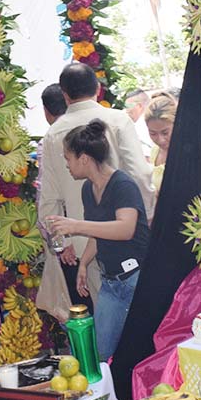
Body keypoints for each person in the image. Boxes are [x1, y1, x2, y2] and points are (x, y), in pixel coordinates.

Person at [35, 63, 153, 323]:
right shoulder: (119, 119)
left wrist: (61, 241)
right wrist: (147, 217)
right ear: (98, 89)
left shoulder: (53, 134)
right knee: (141, 317)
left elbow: (49, 198)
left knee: (107, 317)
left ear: (65, 95)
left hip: (82, 245)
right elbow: (141, 174)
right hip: (129, 237)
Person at [46, 120, 151, 361]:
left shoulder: (123, 184)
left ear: (83, 158)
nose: (66, 164)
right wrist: (84, 264)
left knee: (140, 350)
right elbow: (99, 232)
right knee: (100, 352)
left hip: (137, 279)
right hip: (111, 282)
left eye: (68, 158)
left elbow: (125, 229)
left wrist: (76, 226)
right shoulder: (88, 188)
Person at [144, 93, 178, 199]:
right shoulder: (155, 151)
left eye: (165, 133)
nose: (160, 140)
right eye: (153, 133)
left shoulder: (184, 154)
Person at [124, 88, 153, 159]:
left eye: (127, 107)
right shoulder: (152, 121)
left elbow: (146, 156)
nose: (126, 111)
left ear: (139, 106)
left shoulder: (141, 127)